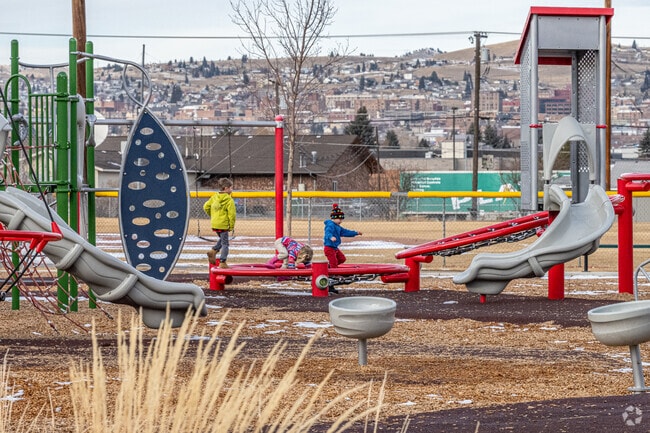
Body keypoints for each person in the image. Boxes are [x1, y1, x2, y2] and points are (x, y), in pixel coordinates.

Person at [323, 203, 362, 293]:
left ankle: (327, 269)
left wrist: (355, 233)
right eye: (339, 219)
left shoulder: (338, 227)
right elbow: (328, 233)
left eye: (341, 219)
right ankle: (331, 282)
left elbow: (345, 232)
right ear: (334, 218)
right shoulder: (330, 225)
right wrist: (330, 237)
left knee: (342, 259)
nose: (341, 221)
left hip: (335, 248)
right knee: (334, 265)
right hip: (329, 248)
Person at [203, 177, 236, 269]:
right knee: (225, 244)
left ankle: (213, 251)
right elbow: (232, 215)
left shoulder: (214, 197)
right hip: (224, 224)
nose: (232, 190)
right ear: (226, 188)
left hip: (215, 223)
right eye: (231, 188)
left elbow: (206, 207)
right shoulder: (229, 200)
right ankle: (223, 262)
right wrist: (231, 226)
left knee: (222, 240)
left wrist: (213, 215)